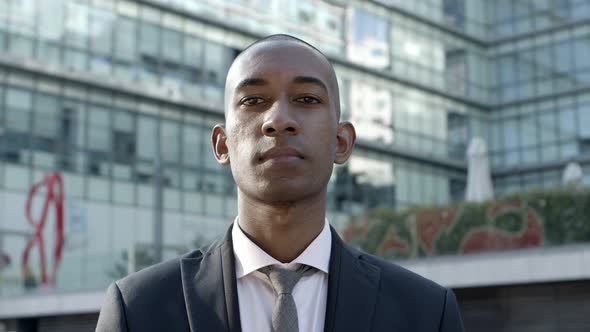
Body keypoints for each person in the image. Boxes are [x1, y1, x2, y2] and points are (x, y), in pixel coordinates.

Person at [96, 34, 465, 332]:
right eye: (254, 100)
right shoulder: (137, 309)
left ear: (341, 142)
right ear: (223, 144)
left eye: (306, 98)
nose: (278, 120)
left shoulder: (427, 313)